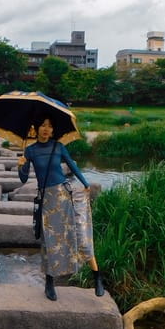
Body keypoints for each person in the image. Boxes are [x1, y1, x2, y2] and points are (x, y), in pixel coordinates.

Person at [17, 116, 104, 301]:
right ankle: (50, 283)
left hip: (67, 194)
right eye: (43, 125)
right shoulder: (30, 151)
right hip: (48, 201)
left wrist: (86, 183)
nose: (46, 129)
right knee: (51, 241)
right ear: (36, 128)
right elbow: (23, 179)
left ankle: (97, 277)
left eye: (50, 126)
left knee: (81, 234)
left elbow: (72, 165)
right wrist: (21, 166)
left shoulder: (58, 147)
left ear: (53, 130)